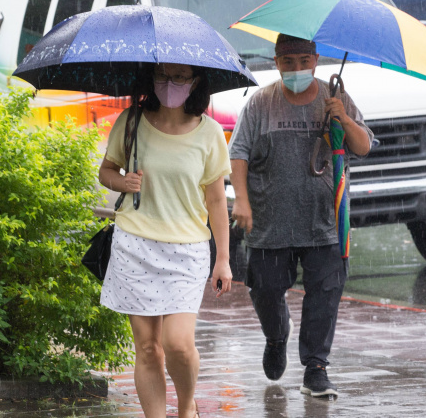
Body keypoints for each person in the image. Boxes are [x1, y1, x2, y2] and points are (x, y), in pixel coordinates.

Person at [228, 34, 372, 398]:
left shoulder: (334, 96)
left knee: (325, 292)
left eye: (304, 61)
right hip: (269, 222)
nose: (297, 69)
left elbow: (364, 145)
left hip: (324, 220)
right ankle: (276, 336)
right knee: (265, 288)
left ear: (316, 60)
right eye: (288, 62)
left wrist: (343, 119)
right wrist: (241, 200)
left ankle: (316, 367)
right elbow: (239, 153)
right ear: (276, 63)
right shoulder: (261, 103)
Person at [98, 62, 234, 418]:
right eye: (162, 76)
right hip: (135, 245)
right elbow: (106, 170)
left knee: (178, 344)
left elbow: (217, 200)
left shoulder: (209, 133)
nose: (169, 84)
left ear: (196, 82)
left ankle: (187, 405)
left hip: (187, 250)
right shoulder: (131, 122)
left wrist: (223, 258)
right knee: (147, 349)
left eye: (179, 77)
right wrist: (121, 182)